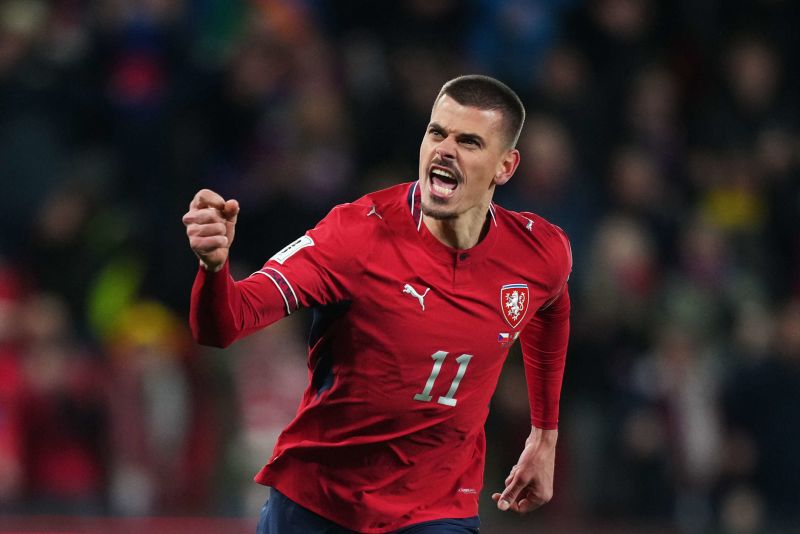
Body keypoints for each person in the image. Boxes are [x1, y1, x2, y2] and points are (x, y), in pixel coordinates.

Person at [183, 74, 572, 534]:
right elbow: (223, 326)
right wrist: (214, 269)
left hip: (437, 511)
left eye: (468, 141)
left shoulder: (539, 252)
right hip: (321, 504)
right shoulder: (354, 237)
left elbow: (552, 307)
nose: (444, 150)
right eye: (436, 133)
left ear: (505, 167)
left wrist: (544, 435)